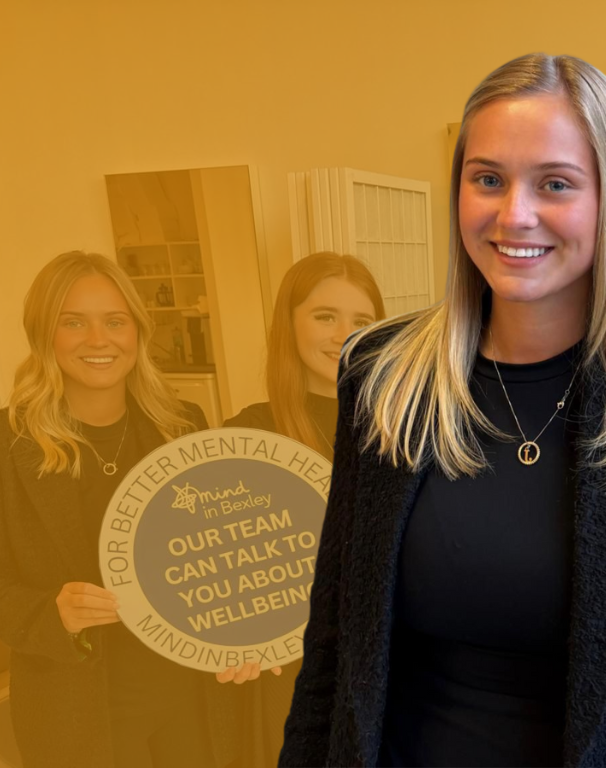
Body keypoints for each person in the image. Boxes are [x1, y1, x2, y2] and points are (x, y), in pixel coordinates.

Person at [279, 53, 606, 767]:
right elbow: (332, 650)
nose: (513, 214)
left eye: (555, 184)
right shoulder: (384, 379)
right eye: (487, 179)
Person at [0, 251, 265, 768]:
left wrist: (241, 635)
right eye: (73, 322)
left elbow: (223, 554)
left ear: (137, 332)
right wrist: (52, 612)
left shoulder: (182, 425)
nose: (99, 340)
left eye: (114, 321)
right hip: (77, 712)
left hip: (196, 697)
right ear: (42, 334)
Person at [224, 251, 385, 766]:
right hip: (289, 677)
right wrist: (232, 638)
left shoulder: (405, 428)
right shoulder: (246, 437)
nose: (344, 334)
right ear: (288, 326)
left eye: (362, 321)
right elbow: (225, 568)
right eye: (324, 316)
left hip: (388, 669)